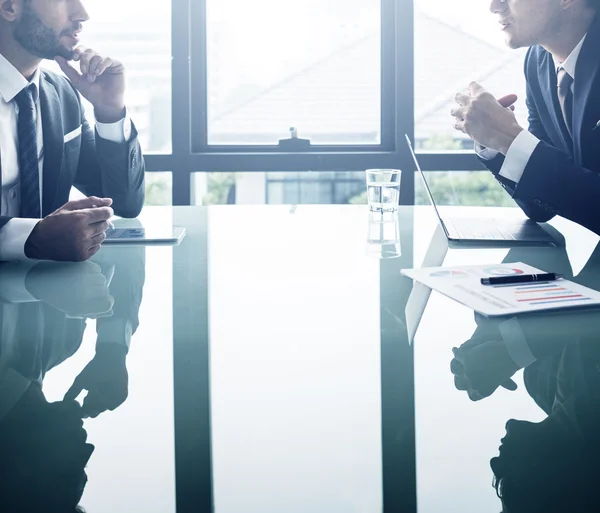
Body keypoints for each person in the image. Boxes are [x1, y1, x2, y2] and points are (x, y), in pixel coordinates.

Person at [0, 0, 145, 263]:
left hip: (45, 293)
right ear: (10, 6)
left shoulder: (62, 94)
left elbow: (124, 202)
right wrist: (29, 238)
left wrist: (110, 110)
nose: (82, 15)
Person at [451, 0, 600, 235]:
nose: (494, 6)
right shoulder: (537, 62)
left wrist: (510, 139)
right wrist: (497, 142)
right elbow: (542, 207)